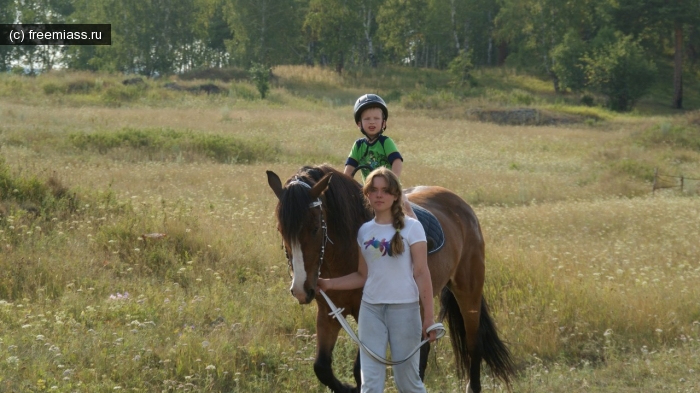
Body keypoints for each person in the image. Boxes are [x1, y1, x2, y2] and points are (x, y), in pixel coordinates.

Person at [318, 167, 436, 393]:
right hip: (371, 312)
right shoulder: (364, 232)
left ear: (395, 195)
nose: (379, 195)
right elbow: (363, 276)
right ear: (367, 194)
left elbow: (422, 273)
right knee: (370, 384)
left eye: (385, 190)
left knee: (408, 383)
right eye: (374, 190)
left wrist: (428, 317)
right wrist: (329, 283)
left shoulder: (413, 228)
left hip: (404, 311)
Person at [344, 93, 416, 218]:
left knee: (406, 209)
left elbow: (397, 161)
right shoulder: (358, 145)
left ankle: (417, 234)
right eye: (367, 119)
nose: (372, 122)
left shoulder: (386, 142)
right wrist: (344, 185)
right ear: (359, 124)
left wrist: (392, 182)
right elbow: (349, 169)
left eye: (376, 118)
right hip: (369, 191)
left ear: (383, 122)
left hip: (389, 189)